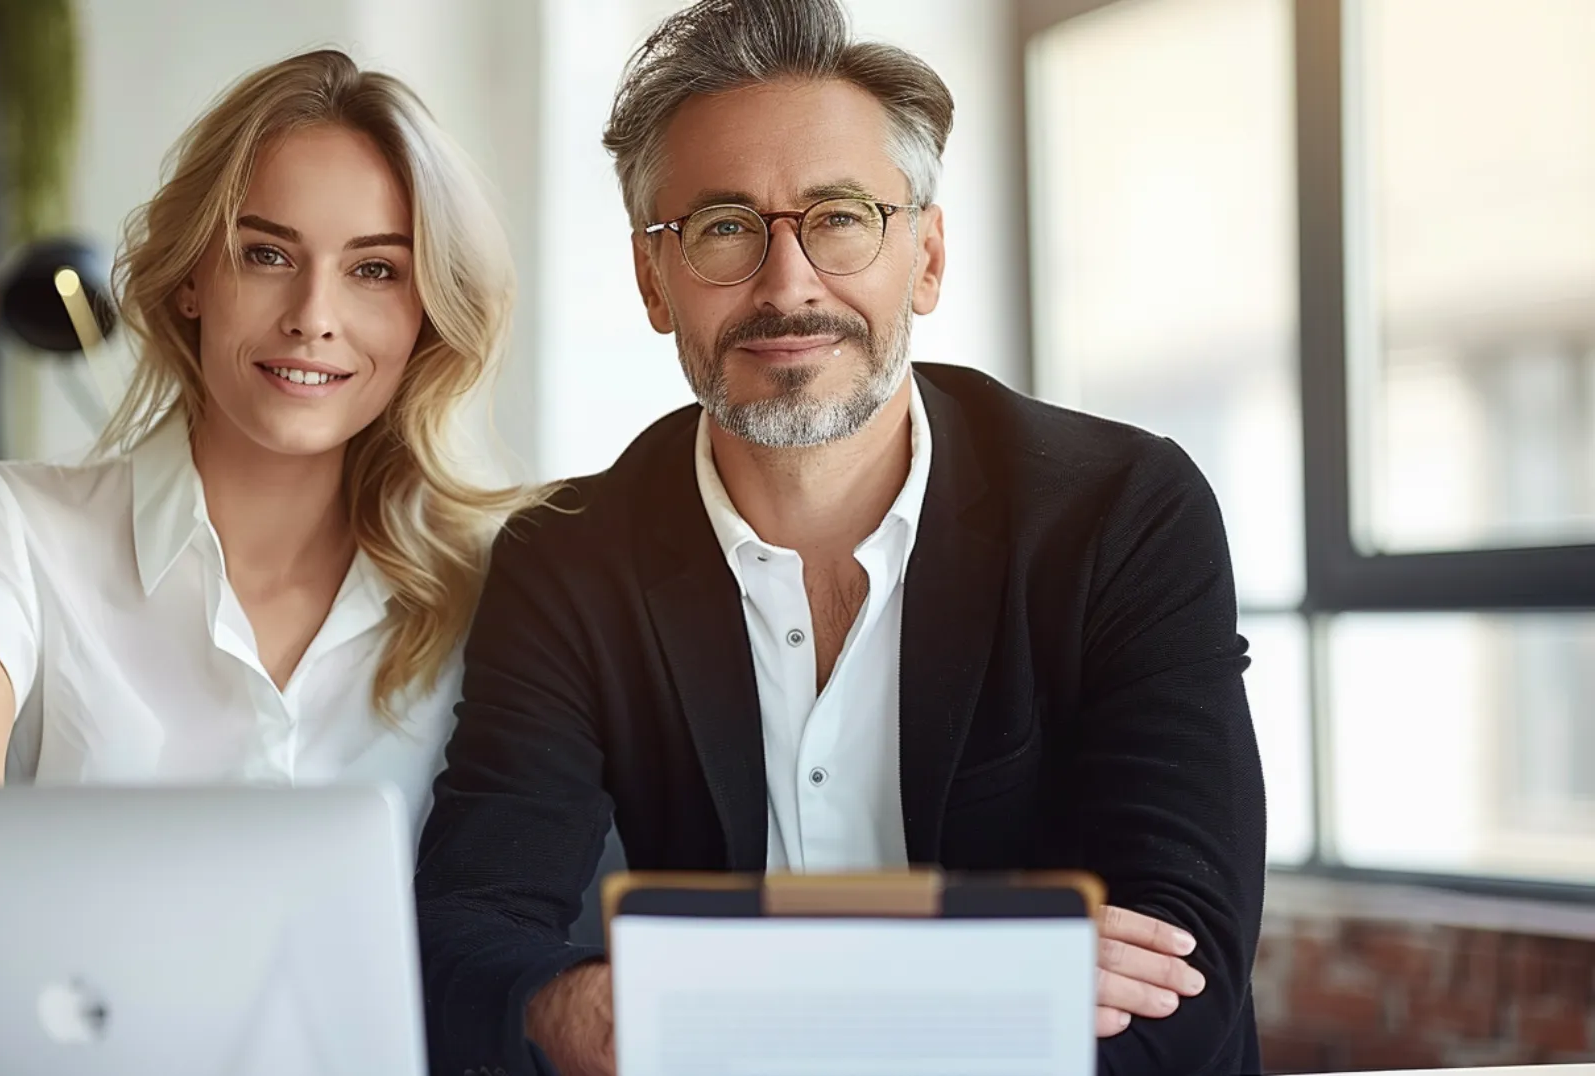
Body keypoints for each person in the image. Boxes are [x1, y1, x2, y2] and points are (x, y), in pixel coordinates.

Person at [413, 1, 1266, 1073]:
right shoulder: (568, 557)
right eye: (723, 226)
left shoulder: (1123, 512)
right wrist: (987, 979)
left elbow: (1180, 971)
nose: (787, 283)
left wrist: (733, 1008)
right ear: (651, 279)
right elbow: (468, 937)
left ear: (926, 255)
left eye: (842, 215)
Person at [0, 49, 537, 836]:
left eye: (374, 270)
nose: (312, 315)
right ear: (192, 277)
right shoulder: (9, 529)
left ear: (426, 311)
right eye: (266, 254)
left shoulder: (495, 587)